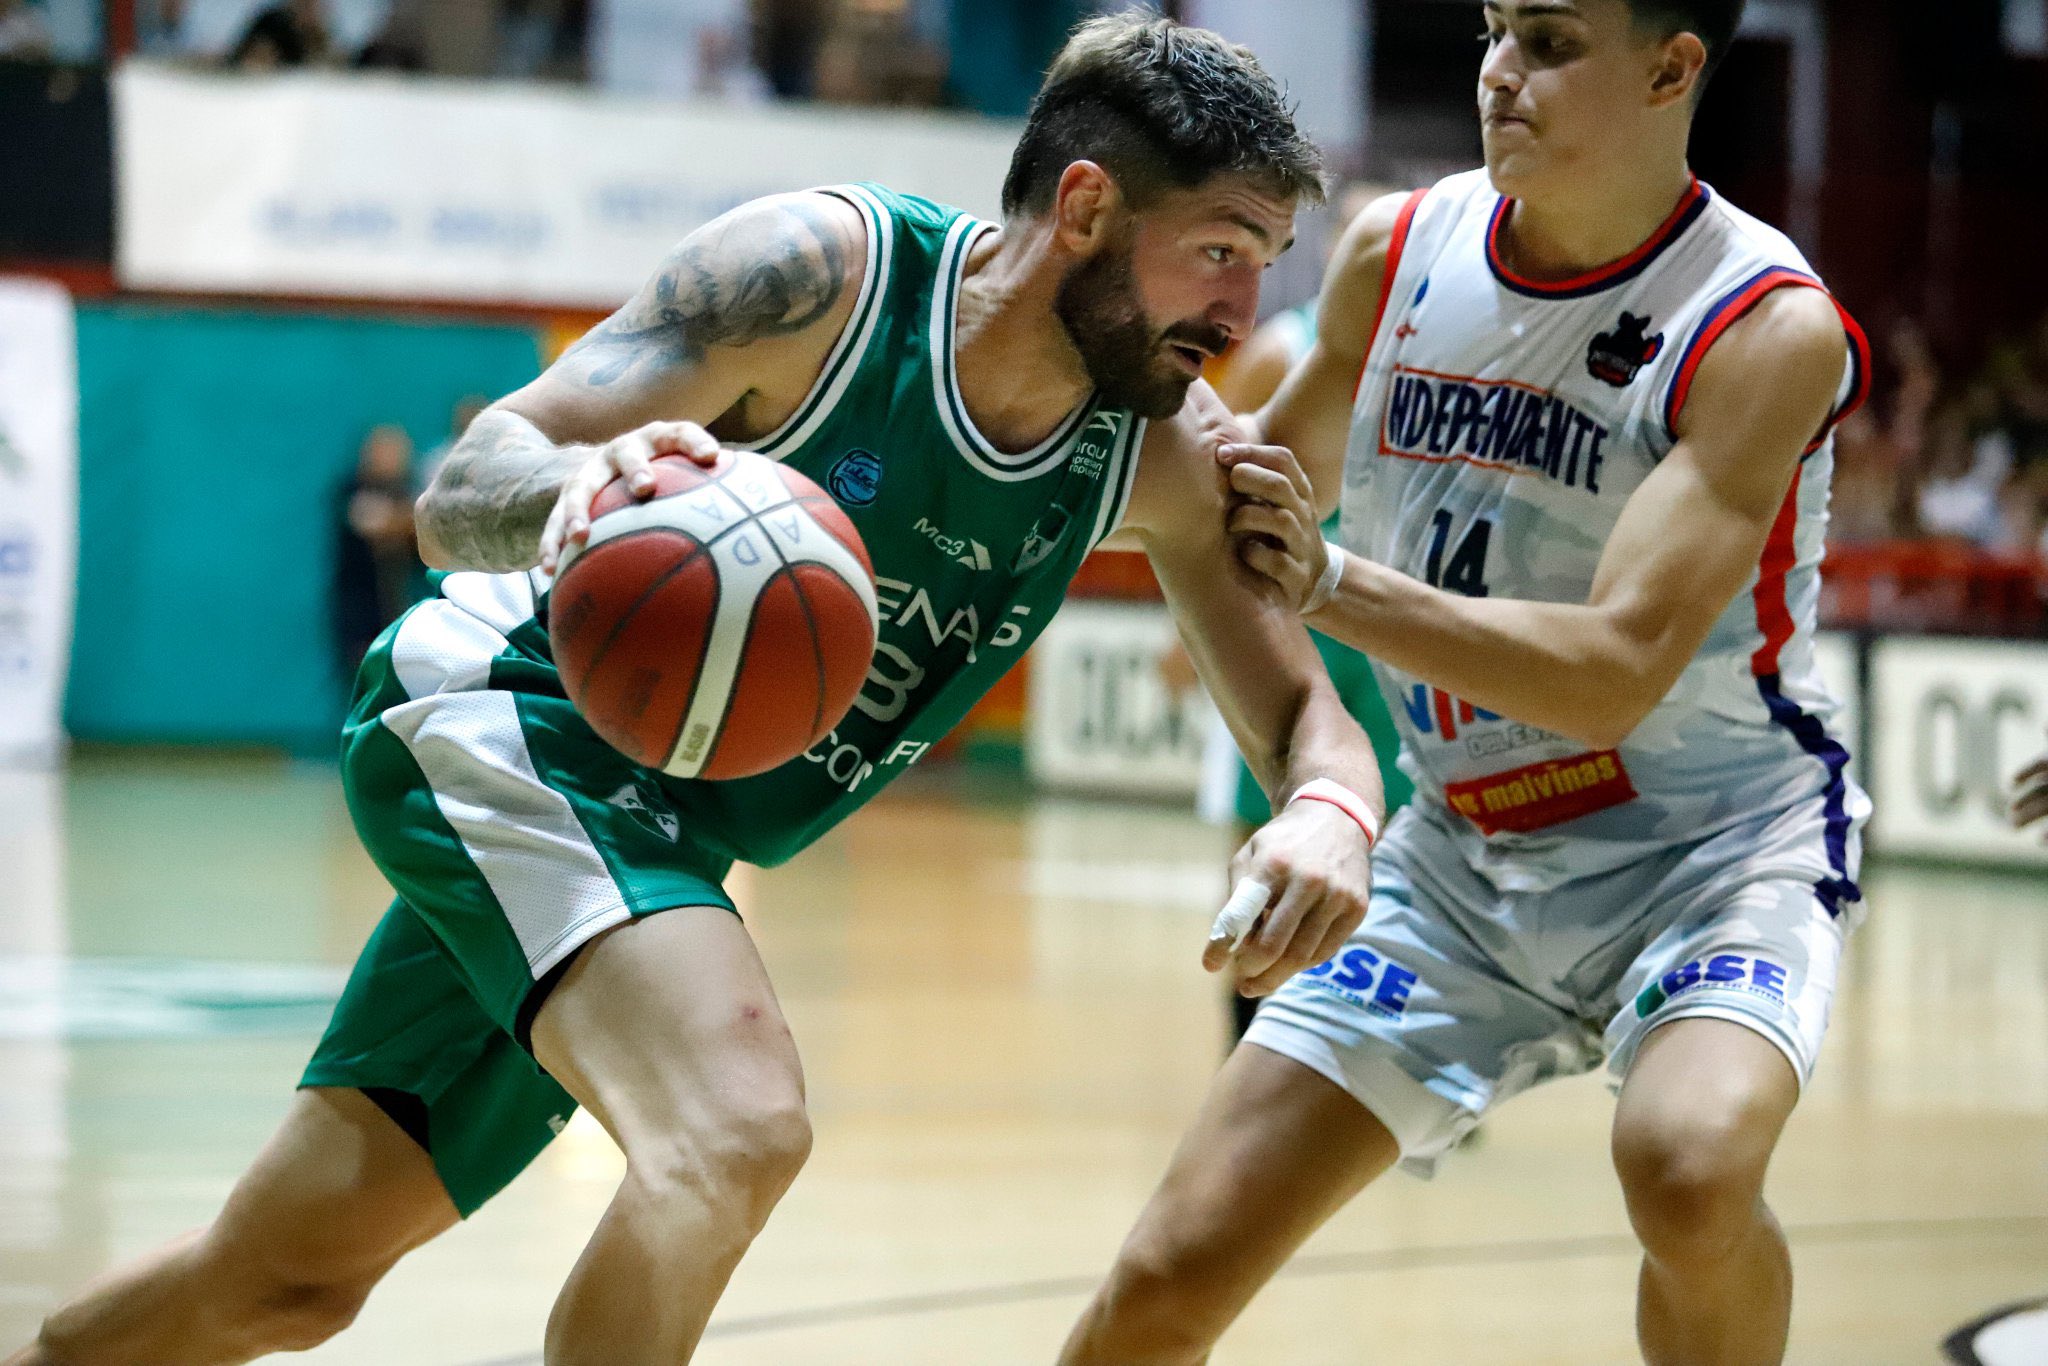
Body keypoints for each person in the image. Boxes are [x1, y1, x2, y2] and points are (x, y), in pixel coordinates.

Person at [13, 16, 1385, 1366]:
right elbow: (461, 489)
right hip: (512, 714)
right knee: (734, 1125)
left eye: (1262, 264)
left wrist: (1330, 811)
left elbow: (1305, 721)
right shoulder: (822, 279)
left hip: (663, 838)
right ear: (1085, 206)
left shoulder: (1165, 454)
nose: (1238, 310)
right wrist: (579, 487)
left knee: (282, 1283)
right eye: (1216, 251)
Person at [1063, 3, 1873, 1365]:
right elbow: (1233, 488)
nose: (1501, 70)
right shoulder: (1395, 255)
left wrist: (1328, 585)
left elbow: (1615, 672)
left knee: (1685, 1165)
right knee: (1165, 1271)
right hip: (1460, 854)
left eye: (1550, 42)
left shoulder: (1763, 325)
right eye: (1497, 29)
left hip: (1712, 846)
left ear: (1675, 67)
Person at [1197, 182, 1413, 1044]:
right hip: (1294, 607)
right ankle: (1247, 1026)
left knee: (1387, 829)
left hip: (1386, 616)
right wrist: (1201, 624)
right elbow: (1223, 482)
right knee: (1270, 810)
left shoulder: (1432, 352)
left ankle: (1383, 1031)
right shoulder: (1286, 348)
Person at [331, 424, 422, 682]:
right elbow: (374, 522)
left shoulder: (406, 490)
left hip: (399, 609)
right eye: (384, 452)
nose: (391, 460)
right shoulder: (352, 490)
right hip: (361, 611)